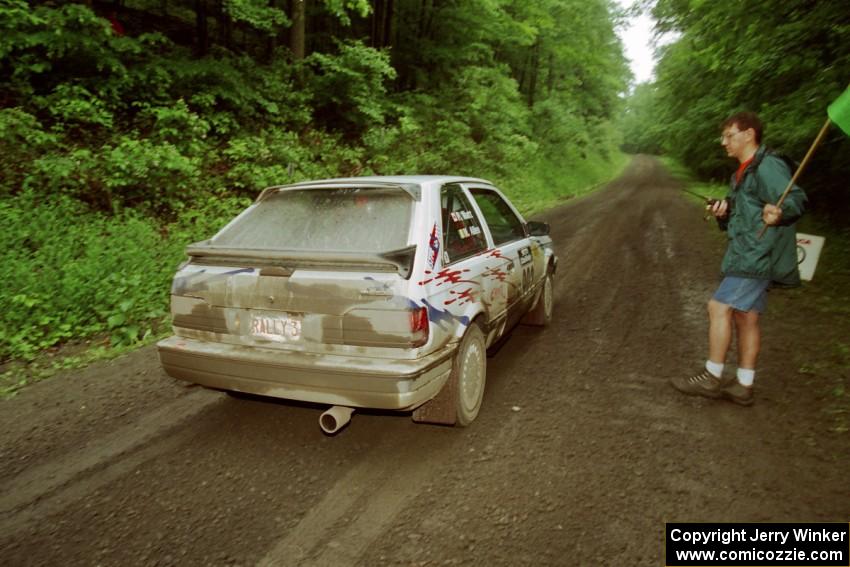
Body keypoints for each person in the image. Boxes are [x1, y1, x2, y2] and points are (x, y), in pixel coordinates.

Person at [671, 111, 808, 405]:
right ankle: (744, 385)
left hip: (757, 255)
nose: (724, 142)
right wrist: (725, 212)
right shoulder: (742, 172)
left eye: (729, 135)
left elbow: (795, 198)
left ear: (748, 134)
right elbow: (744, 214)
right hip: (745, 252)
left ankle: (712, 376)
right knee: (747, 316)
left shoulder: (767, 165)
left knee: (717, 306)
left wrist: (781, 211)